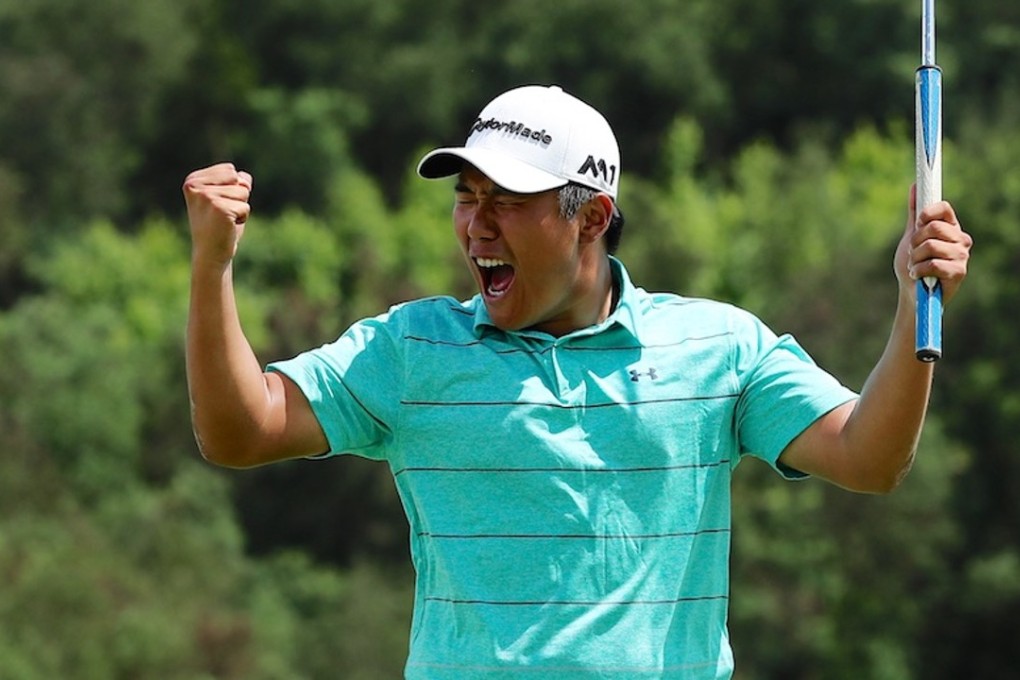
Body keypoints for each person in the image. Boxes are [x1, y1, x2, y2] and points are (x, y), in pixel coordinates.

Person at [183, 84, 972, 679]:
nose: (476, 225)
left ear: (592, 218)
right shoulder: (410, 349)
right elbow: (239, 431)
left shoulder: (719, 346)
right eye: (467, 197)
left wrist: (912, 307)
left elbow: (870, 459)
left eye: (509, 201)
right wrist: (213, 266)